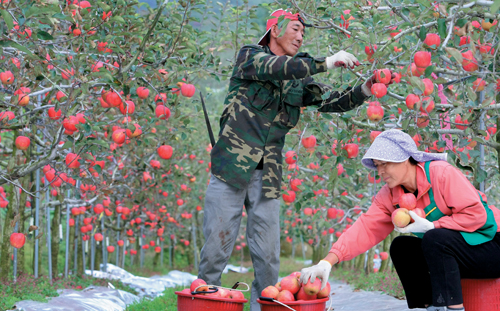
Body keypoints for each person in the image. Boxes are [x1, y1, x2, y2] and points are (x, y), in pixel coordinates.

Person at [197, 9, 389, 311]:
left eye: (303, 32)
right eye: (296, 30)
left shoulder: (299, 80)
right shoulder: (250, 56)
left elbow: (330, 101)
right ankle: (206, 305)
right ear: (275, 30)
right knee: (215, 249)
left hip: (268, 173)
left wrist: (366, 88)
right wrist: (325, 62)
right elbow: (277, 67)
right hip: (231, 167)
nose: (300, 37)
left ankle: (268, 306)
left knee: (268, 255)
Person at [300, 129, 500, 311]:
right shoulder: (389, 196)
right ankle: (428, 307)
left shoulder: (441, 173)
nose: (380, 172)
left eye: (384, 164)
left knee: (435, 237)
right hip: (454, 253)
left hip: (491, 246)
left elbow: (477, 214)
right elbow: (365, 229)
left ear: (405, 159)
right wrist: (328, 261)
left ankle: (453, 310)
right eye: (377, 166)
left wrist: (433, 225)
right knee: (401, 246)